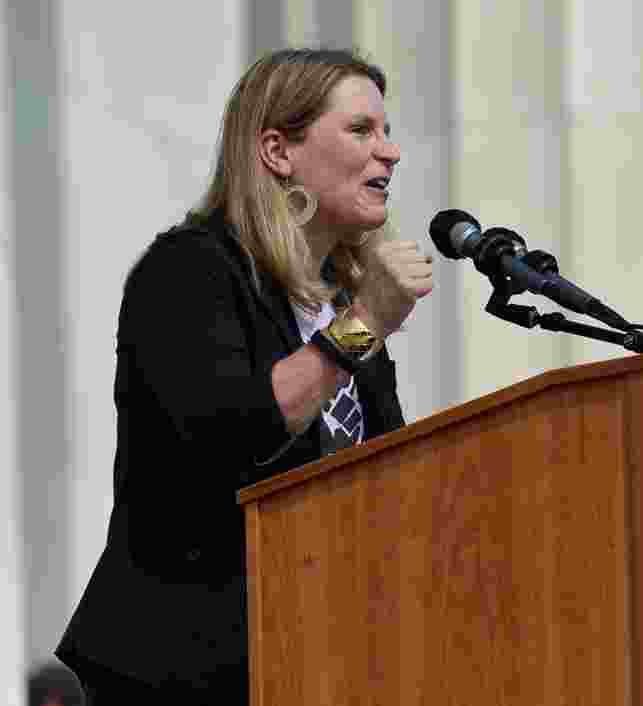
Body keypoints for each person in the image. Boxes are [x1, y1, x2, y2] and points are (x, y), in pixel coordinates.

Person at [55, 47, 433, 704]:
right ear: (277, 151)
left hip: (321, 652)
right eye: (361, 130)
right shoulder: (189, 271)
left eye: (388, 130)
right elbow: (235, 431)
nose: (390, 152)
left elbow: (383, 470)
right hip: (188, 665)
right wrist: (367, 322)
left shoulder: (338, 295)